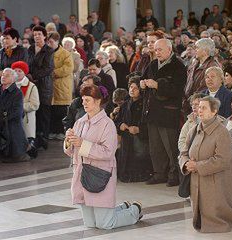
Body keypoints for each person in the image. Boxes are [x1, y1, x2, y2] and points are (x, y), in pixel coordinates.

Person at [64, 84, 142, 229]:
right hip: (81, 176)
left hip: (99, 176)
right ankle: (121, 207)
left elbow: (108, 152)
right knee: (90, 224)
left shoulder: (108, 125)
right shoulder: (79, 122)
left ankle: (134, 210)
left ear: (98, 101)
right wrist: (69, 141)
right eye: (83, 99)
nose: (83, 103)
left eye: (87, 100)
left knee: (105, 224)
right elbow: (71, 151)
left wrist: (82, 143)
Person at [179, 96, 232, 233]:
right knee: (200, 217)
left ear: (214, 111)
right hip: (196, 182)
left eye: (204, 108)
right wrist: (186, 163)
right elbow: (183, 153)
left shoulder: (222, 132)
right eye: (199, 107)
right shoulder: (193, 130)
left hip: (215, 183)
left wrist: (197, 166)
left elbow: (222, 160)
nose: (199, 110)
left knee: (217, 219)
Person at [140, 38, 187, 186]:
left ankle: (174, 175)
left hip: (168, 112)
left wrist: (157, 85)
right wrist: (141, 83)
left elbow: (177, 89)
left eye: (160, 49)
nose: (157, 52)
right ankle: (159, 173)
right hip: (152, 111)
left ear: (169, 50)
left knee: (170, 146)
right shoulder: (153, 64)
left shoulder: (178, 66)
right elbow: (142, 78)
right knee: (156, 147)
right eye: (155, 49)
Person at [0, 68, 30, 162]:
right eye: (3, 74)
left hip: (10, 127)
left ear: (13, 79)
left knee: (14, 157)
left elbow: (17, 112)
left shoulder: (17, 93)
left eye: (7, 75)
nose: (3, 77)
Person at [115, 76, 152, 182]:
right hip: (127, 139)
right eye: (131, 87)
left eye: (135, 88)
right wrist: (120, 125)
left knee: (139, 154)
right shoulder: (125, 104)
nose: (132, 90)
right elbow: (117, 120)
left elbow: (150, 124)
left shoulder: (146, 104)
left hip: (140, 139)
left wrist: (139, 129)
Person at [28, 26, 53, 148]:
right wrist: (29, 75)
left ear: (44, 36)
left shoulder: (49, 50)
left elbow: (48, 68)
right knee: (34, 113)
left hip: (44, 85)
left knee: (44, 113)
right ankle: (34, 138)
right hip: (31, 83)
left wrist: (34, 76)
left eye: (39, 34)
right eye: (35, 34)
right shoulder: (30, 49)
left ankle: (44, 139)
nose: (37, 36)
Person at [47, 32, 74, 140]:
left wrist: (53, 72)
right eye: (48, 42)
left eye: (51, 42)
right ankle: (52, 131)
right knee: (52, 111)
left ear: (57, 42)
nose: (49, 44)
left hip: (62, 87)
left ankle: (61, 132)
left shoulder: (65, 54)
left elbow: (68, 68)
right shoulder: (46, 53)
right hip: (50, 87)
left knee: (61, 112)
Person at [183, 38, 220, 116]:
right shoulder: (194, 63)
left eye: (197, 48)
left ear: (205, 50)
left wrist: (193, 100)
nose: (195, 50)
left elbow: (205, 88)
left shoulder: (212, 66)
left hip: (200, 106)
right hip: (189, 104)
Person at [12, 61, 39, 157]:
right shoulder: (11, 85)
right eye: (15, 71)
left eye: (20, 71)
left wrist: (18, 107)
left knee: (27, 140)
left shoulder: (31, 87)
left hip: (26, 119)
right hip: (14, 119)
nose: (18, 73)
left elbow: (35, 105)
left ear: (25, 73)